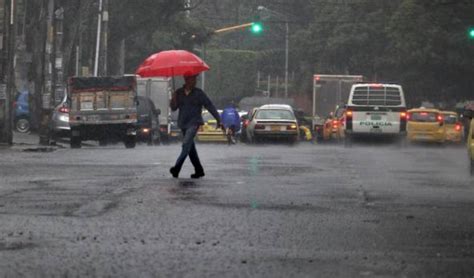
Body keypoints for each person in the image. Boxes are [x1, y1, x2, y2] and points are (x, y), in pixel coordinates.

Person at [169, 74, 221, 179]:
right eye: (192, 79)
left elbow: (209, 105)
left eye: (195, 80)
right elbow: (174, 108)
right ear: (186, 80)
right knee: (190, 148)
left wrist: (218, 119)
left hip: (194, 123)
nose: (195, 81)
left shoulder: (199, 93)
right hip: (183, 123)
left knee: (185, 144)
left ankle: (176, 168)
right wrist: (173, 99)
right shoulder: (179, 93)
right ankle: (199, 170)